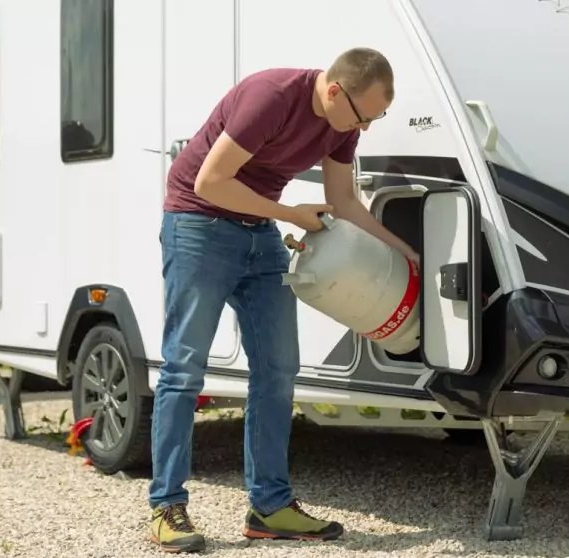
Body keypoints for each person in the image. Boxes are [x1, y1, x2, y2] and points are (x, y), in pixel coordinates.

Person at [148, 47, 417, 553]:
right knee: (185, 369)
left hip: (258, 233)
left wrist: (404, 252)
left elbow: (342, 200)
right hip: (197, 225)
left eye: (376, 118)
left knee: (278, 370)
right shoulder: (270, 96)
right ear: (335, 90)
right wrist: (289, 214)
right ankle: (167, 506)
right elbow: (211, 181)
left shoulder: (344, 123)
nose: (366, 127)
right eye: (366, 116)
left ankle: (270, 507)